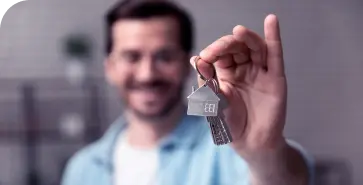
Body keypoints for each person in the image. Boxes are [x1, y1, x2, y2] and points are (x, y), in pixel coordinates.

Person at [61, 0, 314, 185]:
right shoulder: (82, 168)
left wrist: (264, 154)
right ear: (110, 67)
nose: (147, 74)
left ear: (186, 63)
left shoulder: (227, 148)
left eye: (165, 56)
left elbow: (289, 177)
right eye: (132, 57)